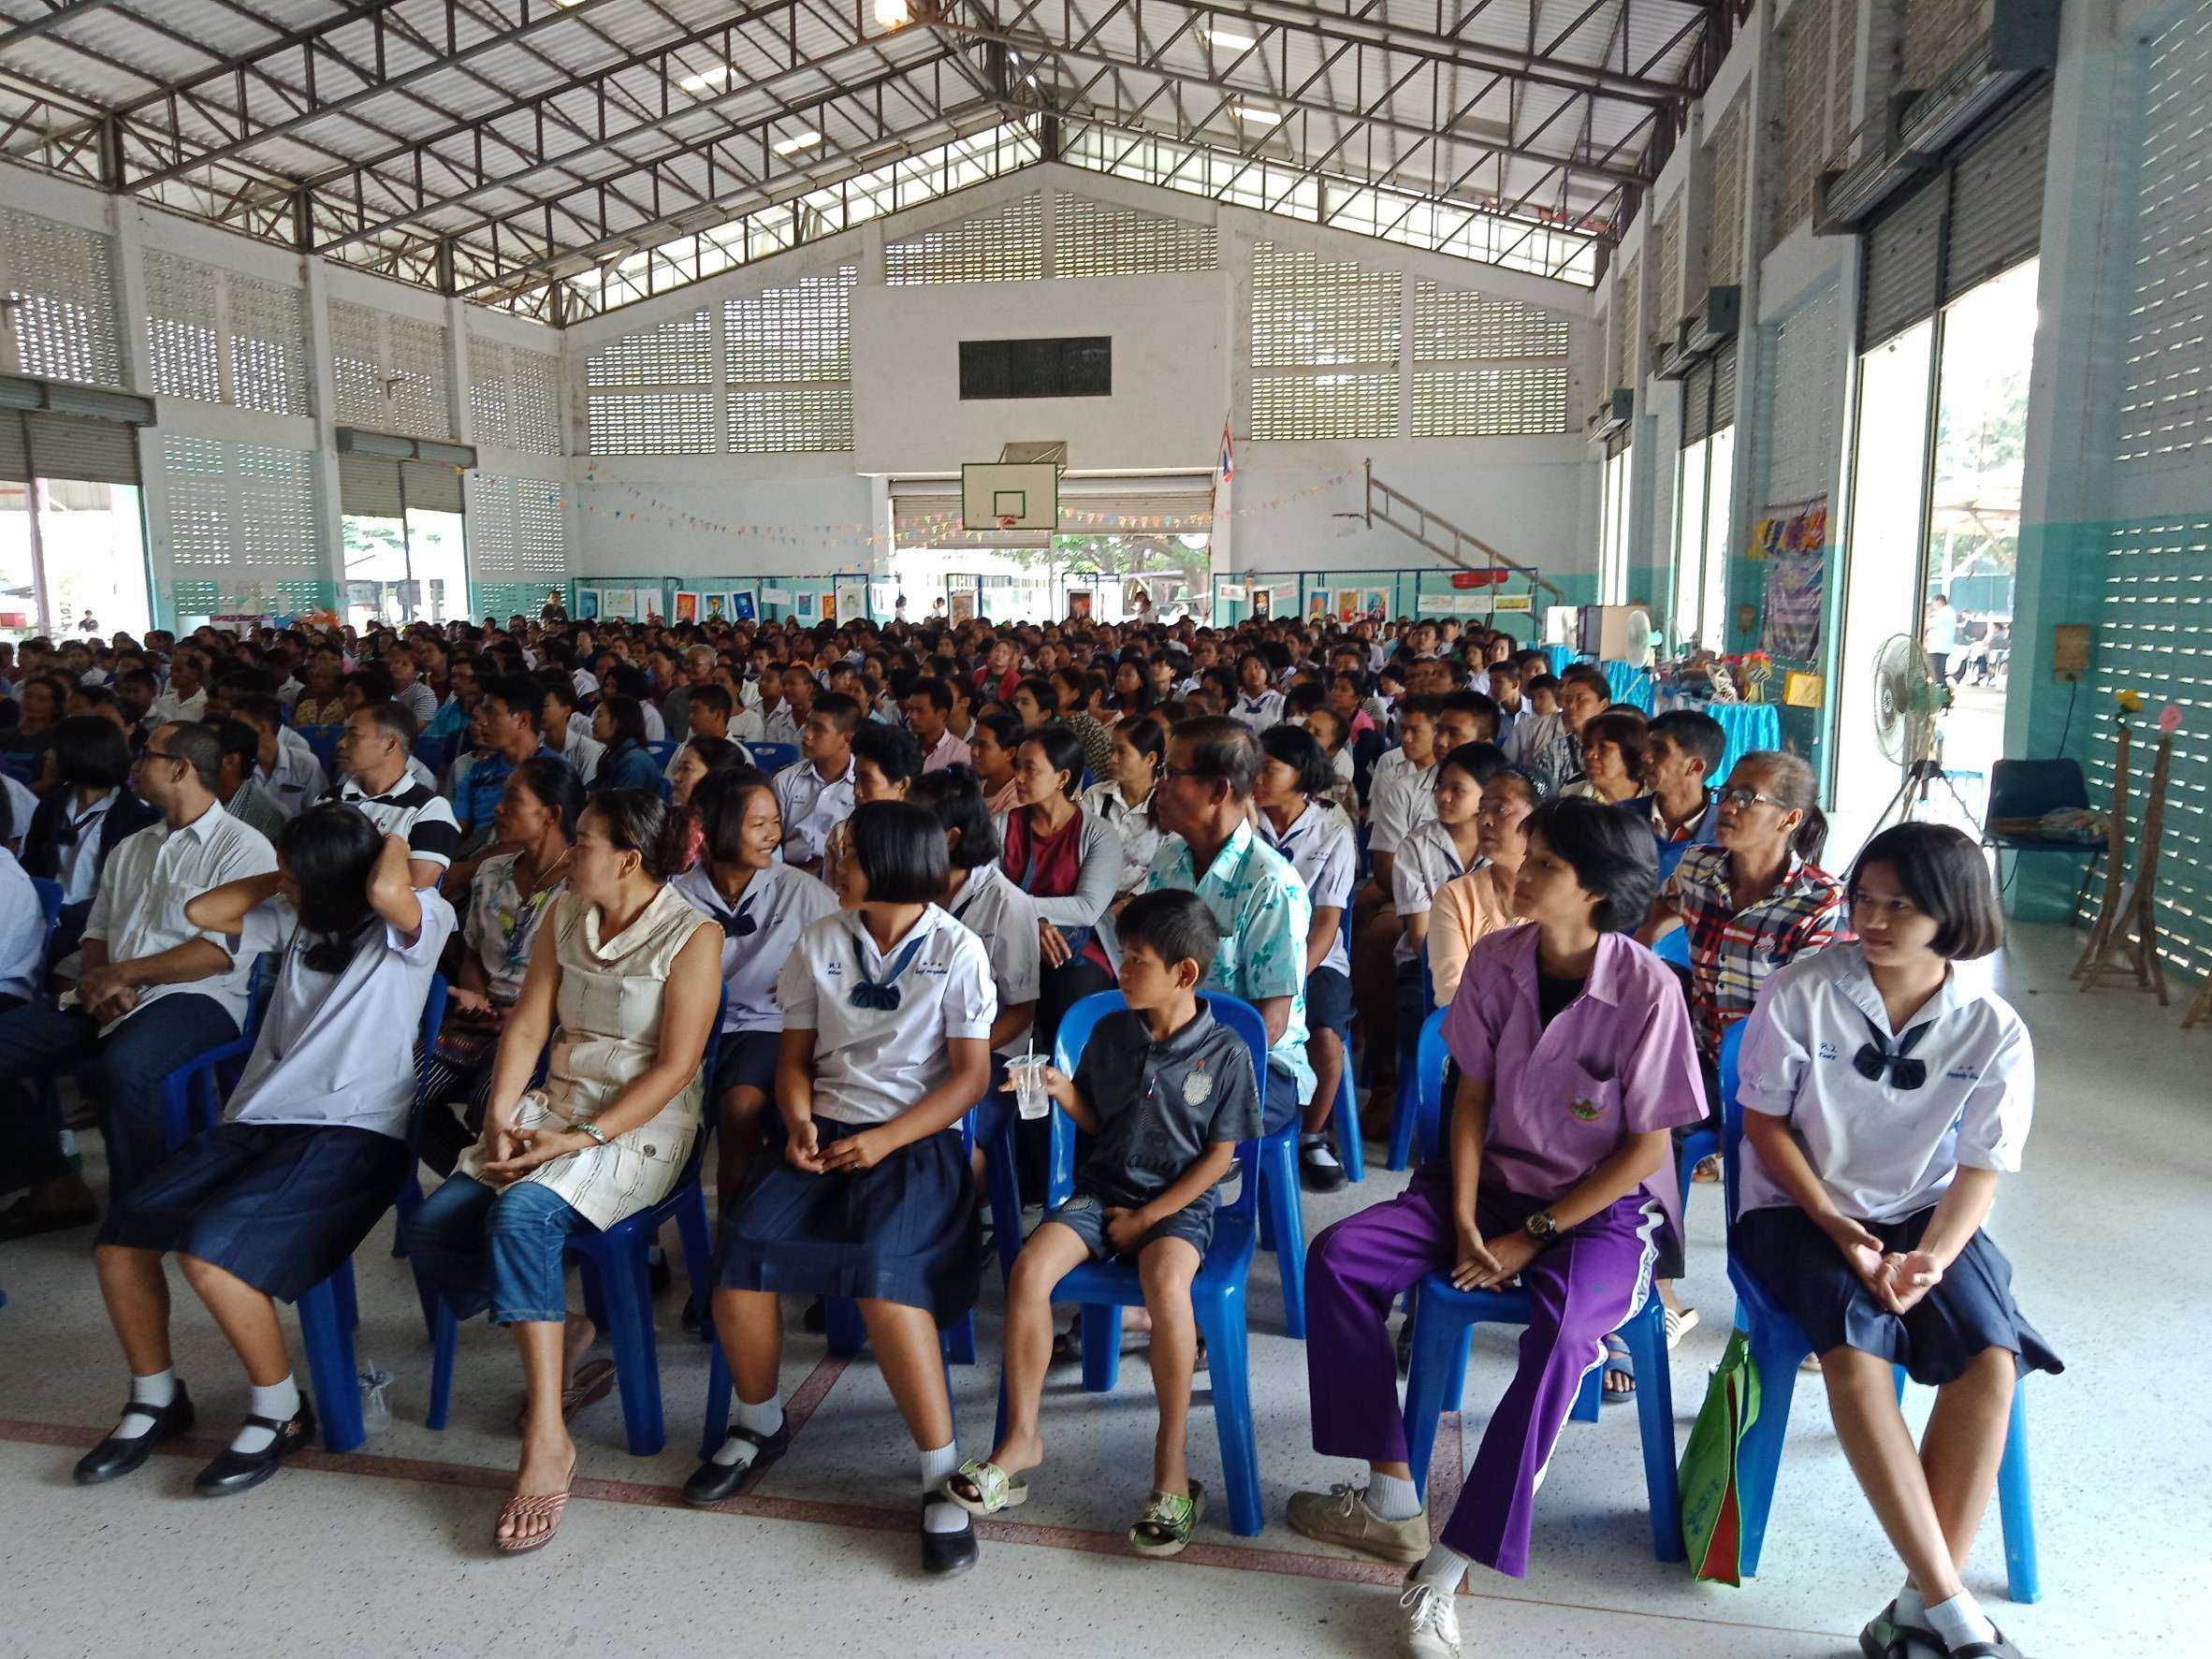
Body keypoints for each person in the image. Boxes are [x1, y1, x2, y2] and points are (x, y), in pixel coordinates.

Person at [1290, 799, 1706, 1656]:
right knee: (1339, 1256)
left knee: (1565, 1335)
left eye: (1545, 862)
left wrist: (1535, 1234)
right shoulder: (1497, 957)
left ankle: (1441, 1574)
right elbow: (1471, 1096)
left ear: (1596, 891)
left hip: (1600, 1211)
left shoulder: (1647, 989)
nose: (1520, 867)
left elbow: (1644, 1150)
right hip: (1487, 1184)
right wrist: (1463, 1214)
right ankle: (1391, 1497)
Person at [1736, 822, 2056, 1659]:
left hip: (1924, 1214)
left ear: (1953, 912)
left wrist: (1933, 1260)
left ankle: (1914, 1607)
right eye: (1864, 899)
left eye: (1900, 905)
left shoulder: (1992, 1026)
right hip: (1797, 1205)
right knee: (1856, 1350)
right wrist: (1840, 1228)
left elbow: (1980, 1170)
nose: (1872, 920)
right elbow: (1765, 1126)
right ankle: (1956, 1614)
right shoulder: (1803, 989)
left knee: (1992, 1358)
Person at [76, 813, 452, 1494]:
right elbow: (202, 911)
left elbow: (385, 890)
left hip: (353, 1133)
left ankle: (281, 1410)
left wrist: (388, 834)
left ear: (336, 880)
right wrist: (287, 876)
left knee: (211, 1258)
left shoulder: (418, 920)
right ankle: (157, 1396)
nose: (284, 885)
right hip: (260, 1122)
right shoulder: (298, 919)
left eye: (294, 877)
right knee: (121, 1241)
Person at [406, 790, 720, 1553]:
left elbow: (676, 1068)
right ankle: (564, 1324)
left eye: (583, 841)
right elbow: (528, 1022)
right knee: (435, 1227)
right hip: (559, 1104)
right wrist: (500, 1114)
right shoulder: (565, 912)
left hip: (640, 1126)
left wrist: (577, 1138)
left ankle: (548, 1438)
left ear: (629, 858)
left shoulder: (693, 934)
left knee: (519, 1214)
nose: (569, 851)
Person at [689, 801, 996, 1577]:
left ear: (891, 863)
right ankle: (759, 1421)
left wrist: (888, 1138)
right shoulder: (821, 939)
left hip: (914, 1139)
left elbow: (969, 1079)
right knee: (742, 1252)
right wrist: (797, 1120)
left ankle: (940, 1469)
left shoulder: (956, 949)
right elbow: (794, 1057)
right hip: (824, 1128)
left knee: (885, 1280)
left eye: (849, 852)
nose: (834, 861)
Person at [944, 889, 1261, 1556]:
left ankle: (1171, 1464)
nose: (1121, 969)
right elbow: (1097, 1122)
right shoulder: (1113, 1033)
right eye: (1124, 955)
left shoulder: (1227, 1052)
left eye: (1137, 960)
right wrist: (1062, 1091)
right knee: (1030, 1269)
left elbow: (1218, 1159)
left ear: (1184, 974)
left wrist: (1149, 1215)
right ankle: (1021, 1439)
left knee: (1166, 1285)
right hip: (1102, 1190)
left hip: (1178, 1205)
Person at [0, 722, 277, 1233]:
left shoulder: (244, 847)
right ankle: (54, 1182)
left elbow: (217, 953)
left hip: (198, 997)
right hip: (113, 989)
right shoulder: (133, 846)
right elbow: (98, 932)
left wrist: (123, 974)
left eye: (146, 755)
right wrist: (102, 981)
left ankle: (141, 1219)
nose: (134, 764)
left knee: (127, 1067)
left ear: (180, 768)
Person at [1639, 749, 1849, 1352]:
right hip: (1703, 1058)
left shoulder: (1819, 901)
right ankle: (1658, 1295)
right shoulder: (1698, 866)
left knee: (1810, 1156)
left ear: (1789, 819)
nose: (1726, 807)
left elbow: (1811, 1013)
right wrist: (1637, 955)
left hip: (1783, 1073)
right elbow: (1659, 914)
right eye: (1726, 793)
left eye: (1745, 798)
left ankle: (1806, 1310)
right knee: (1645, 1129)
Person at [672, 769, 838, 1201]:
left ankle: (733, 1223)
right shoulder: (676, 896)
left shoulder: (801, 892)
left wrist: (806, 977)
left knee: (740, 1106)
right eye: (758, 824)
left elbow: (844, 958)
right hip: (688, 1029)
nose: (773, 835)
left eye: (776, 822)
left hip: (764, 1028)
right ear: (714, 827)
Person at [1146, 717, 1313, 1136]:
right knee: (1085, 1091)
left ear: (1218, 791)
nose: (1158, 786)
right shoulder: (1168, 861)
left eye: (1171, 773)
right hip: (1170, 1049)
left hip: (1255, 1064)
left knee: (1161, 1115)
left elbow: (1270, 1024)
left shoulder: (1270, 884)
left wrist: (1186, 1067)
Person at [418, 758, 586, 1175]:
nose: (498, 807)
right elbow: (473, 953)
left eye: (513, 800)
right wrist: (473, 995)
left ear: (551, 814)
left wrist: (528, 1016)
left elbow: (583, 974)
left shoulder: (581, 885)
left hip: (539, 1028)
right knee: (403, 1095)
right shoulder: (492, 872)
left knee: (492, 1105)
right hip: (478, 1021)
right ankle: (470, 1177)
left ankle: (483, 1182)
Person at [1255, 723, 1357, 1192]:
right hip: (1248, 952)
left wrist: (1289, 979)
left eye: (1269, 768)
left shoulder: (1332, 830)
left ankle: (1313, 1135)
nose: (1257, 777)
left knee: (1326, 1036)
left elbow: (1327, 922)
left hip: (1313, 958)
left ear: (1301, 775)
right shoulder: (1243, 819)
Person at [998, 723, 1122, 1051]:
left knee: (1070, 991)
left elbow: (1087, 909)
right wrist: (1031, 924)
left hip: (1075, 946)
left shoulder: (1098, 835)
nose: (1018, 778)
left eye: (1030, 769)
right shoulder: (1002, 826)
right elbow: (984, 894)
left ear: (1062, 778)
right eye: (1017, 767)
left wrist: (1024, 912)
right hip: (1008, 938)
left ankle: (1064, 1074)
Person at [20, 716, 158, 953]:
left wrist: (66, 915)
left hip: (94, 928)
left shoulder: (136, 817)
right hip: (40, 913)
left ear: (82, 754)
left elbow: (126, 893)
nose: (48, 754)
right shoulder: (52, 804)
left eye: (56, 748)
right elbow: (31, 863)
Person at [1426, 766, 1538, 1006]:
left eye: (1501, 809)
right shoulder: (1455, 897)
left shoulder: (1564, 896)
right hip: (1475, 1025)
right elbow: (1451, 994)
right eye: (1482, 810)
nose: (1485, 820)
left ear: (1539, 817)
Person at [330, 703, 462, 891]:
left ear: (390, 744)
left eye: (353, 735)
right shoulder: (328, 800)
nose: (341, 743)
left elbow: (413, 895)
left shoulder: (430, 810)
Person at [1630, 708, 1725, 880]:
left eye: (1659, 749)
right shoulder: (1622, 818)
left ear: (1695, 766)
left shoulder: (1724, 837)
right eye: (1646, 748)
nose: (1645, 757)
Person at [769, 691, 860, 870]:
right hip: (789, 872)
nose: (807, 735)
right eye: (807, 725)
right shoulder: (786, 780)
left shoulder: (862, 785)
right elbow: (772, 841)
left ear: (846, 738)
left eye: (818, 729)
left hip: (842, 876)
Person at [1083, 713, 1165, 899]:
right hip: (1088, 893)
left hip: (1141, 903)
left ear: (1151, 759)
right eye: (1112, 750)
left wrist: (1129, 902)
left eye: (1122, 752)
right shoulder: (1095, 796)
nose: (1113, 759)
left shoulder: (1168, 807)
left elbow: (1165, 869)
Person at [1561, 708, 1645, 804]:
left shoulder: (1654, 798)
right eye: (1588, 746)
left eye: (1604, 748)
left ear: (1631, 753)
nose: (1589, 754)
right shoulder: (1570, 797)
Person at [589, 693, 661, 794]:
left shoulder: (634, 762)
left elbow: (621, 802)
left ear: (616, 722)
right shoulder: (615, 754)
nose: (593, 722)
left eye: (599, 715)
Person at [967, 707, 1024, 817]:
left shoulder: (1017, 797)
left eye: (983, 745)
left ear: (1010, 753)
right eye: (973, 743)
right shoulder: (976, 789)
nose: (974, 751)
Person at [905, 677, 970, 773]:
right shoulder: (901, 745)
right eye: (910, 709)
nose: (912, 716)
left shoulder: (961, 756)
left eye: (920, 710)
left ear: (942, 714)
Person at [1922, 593, 1958, 685]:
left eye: (1933, 603)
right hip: (1938, 647)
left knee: (1937, 675)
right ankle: (1941, 691)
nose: (1933, 606)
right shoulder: (1944, 612)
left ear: (1938, 601)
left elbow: (1928, 625)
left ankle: (1942, 691)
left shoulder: (1945, 612)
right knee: (1936, 674)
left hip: (1939, 648)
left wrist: (1926, 618)